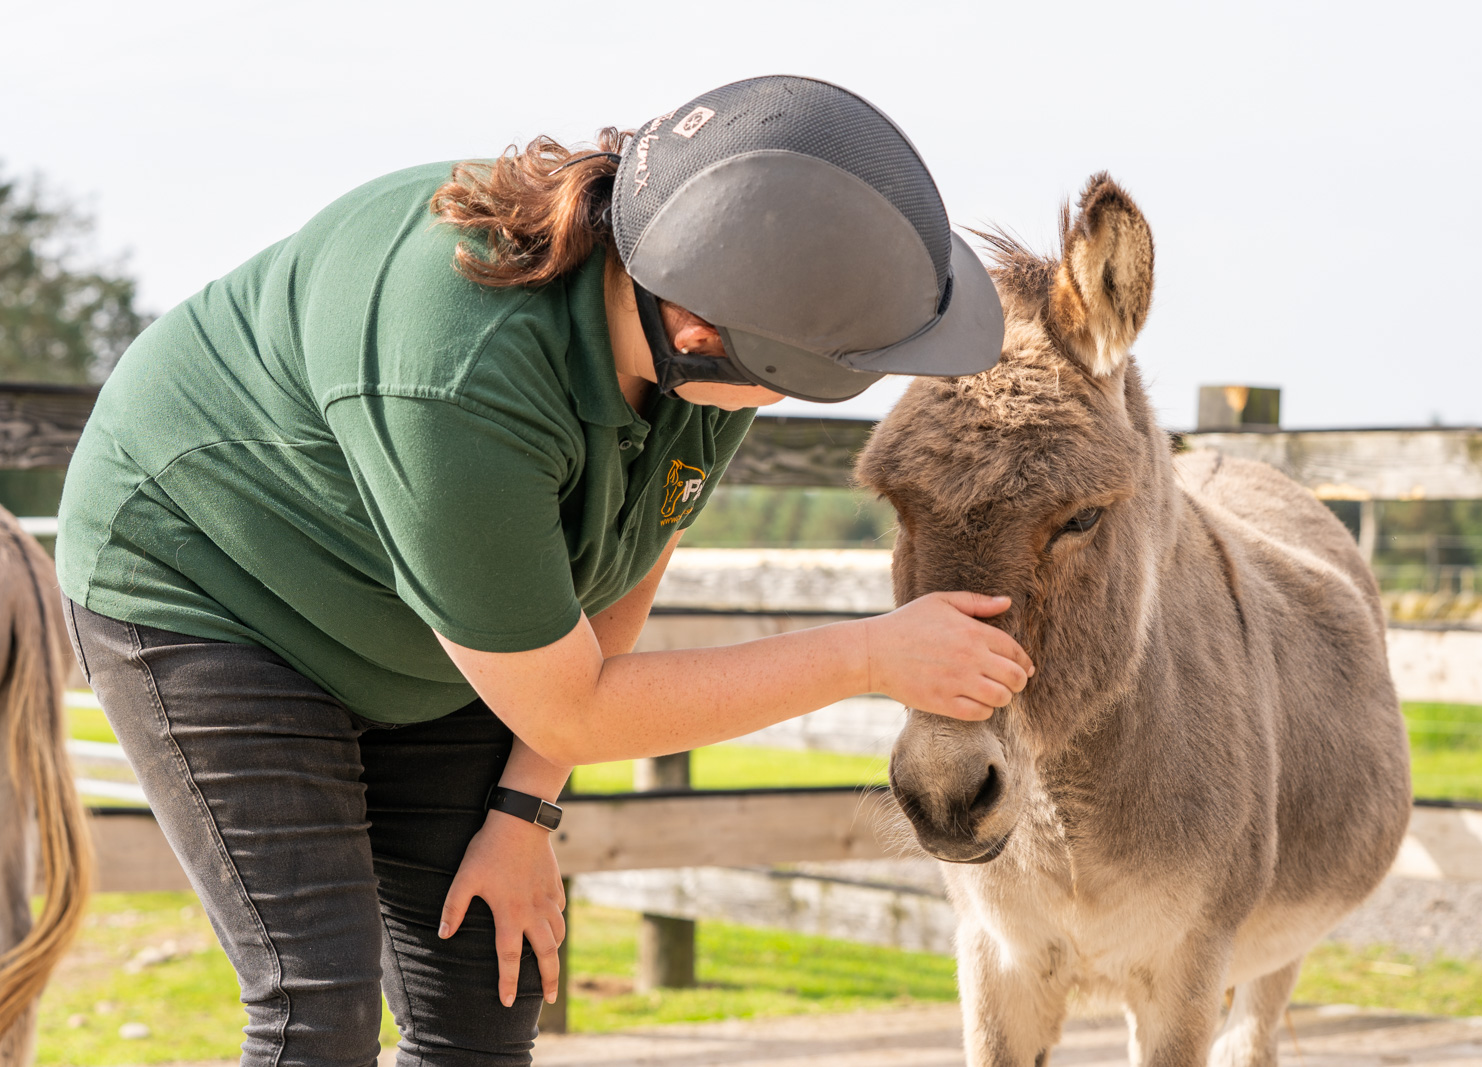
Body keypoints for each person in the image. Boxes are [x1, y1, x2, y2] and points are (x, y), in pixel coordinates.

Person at [55, 75, 1032, 1066]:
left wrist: (523, 812)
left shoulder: (701, 328)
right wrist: (871, 654)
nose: (794, 395)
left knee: (484, 1004)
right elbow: (573, 705)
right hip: (211, 583)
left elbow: (623, 567)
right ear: (699, 329)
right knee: (319, 1010)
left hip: (438, 619)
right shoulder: (463, 379)